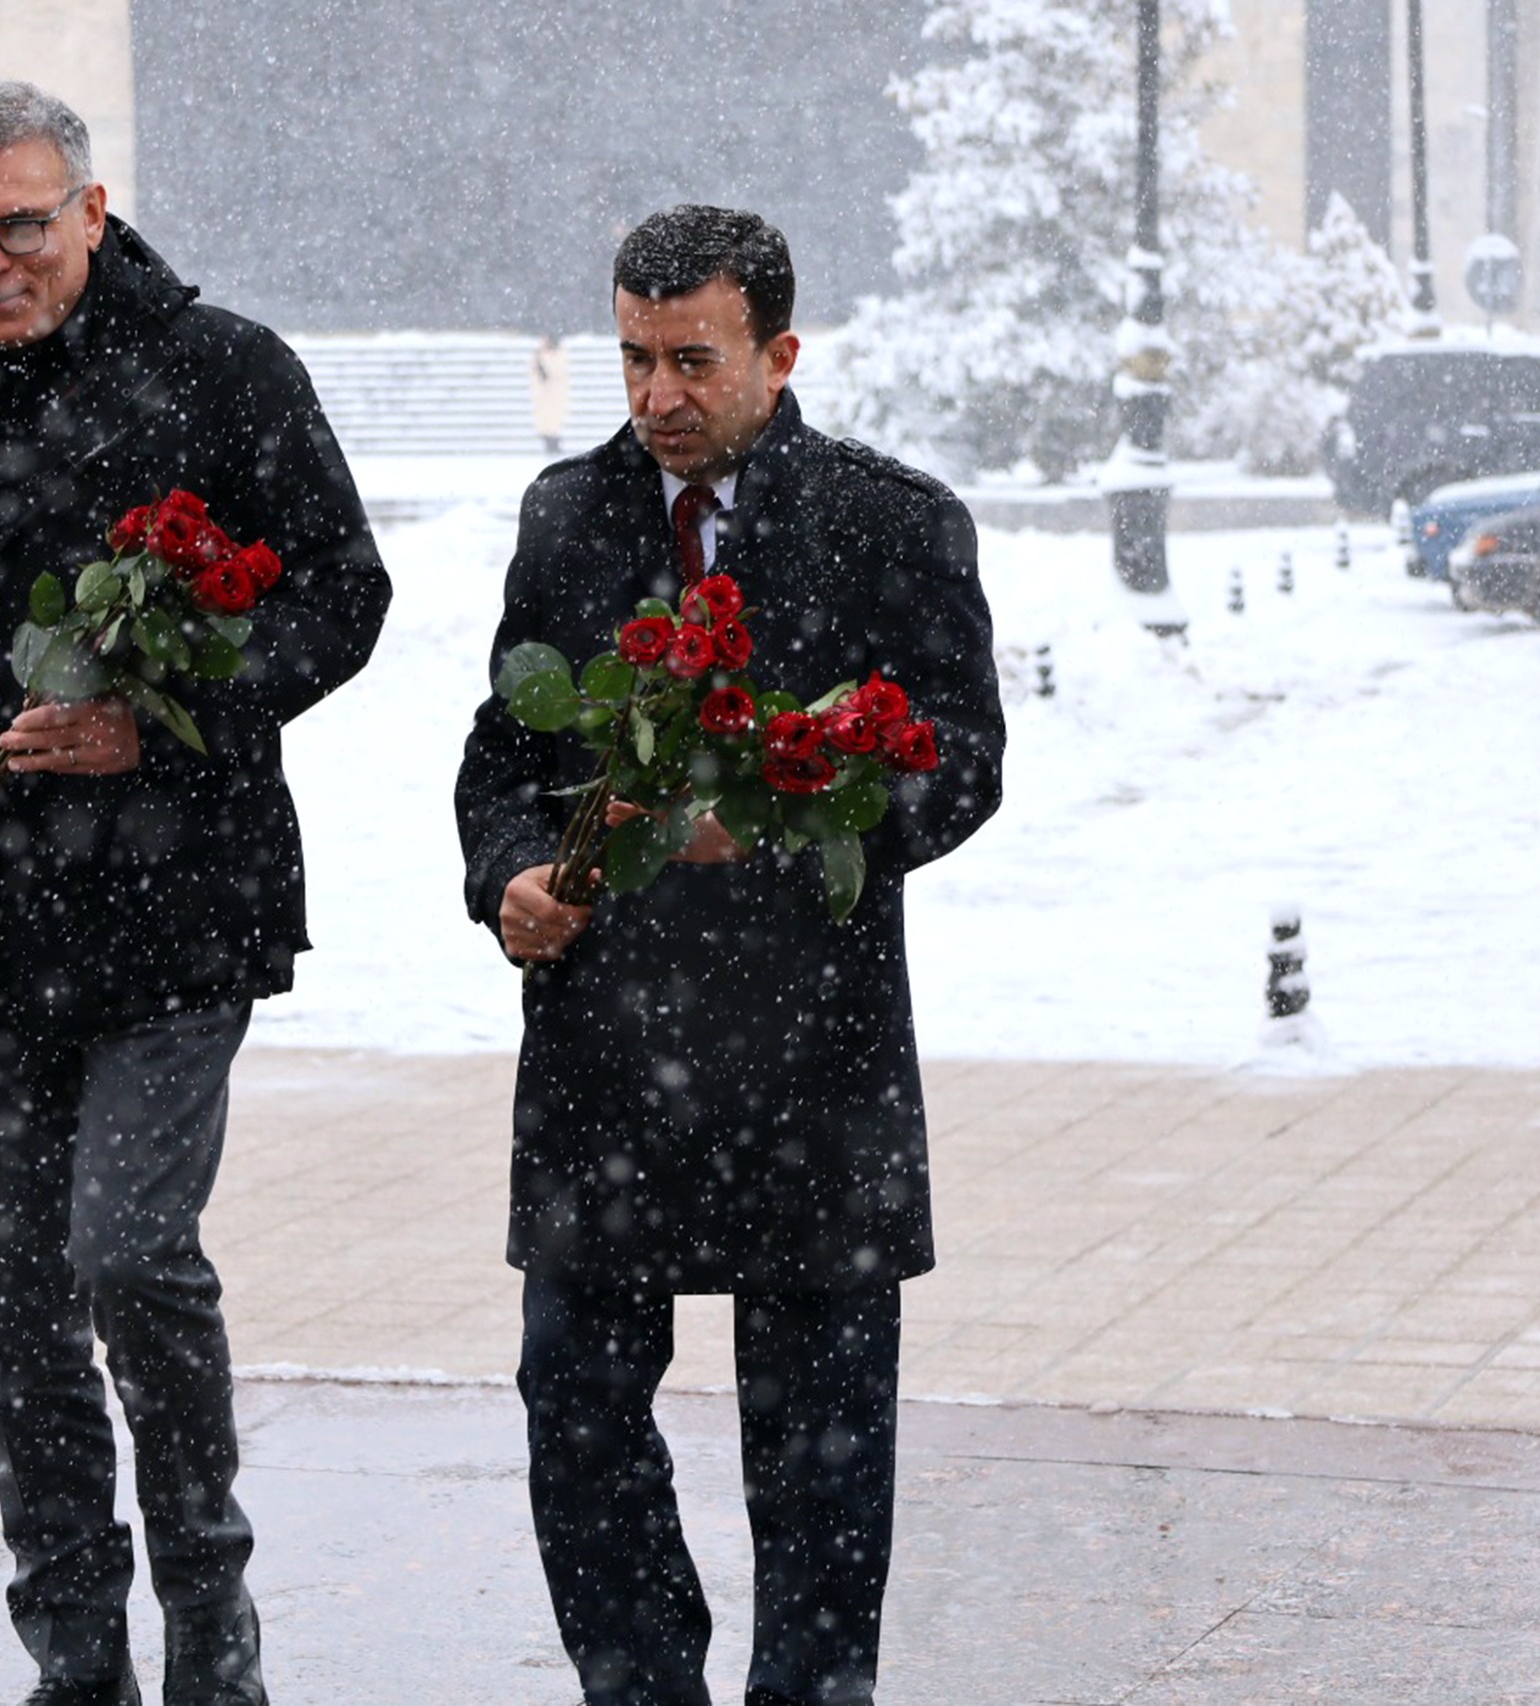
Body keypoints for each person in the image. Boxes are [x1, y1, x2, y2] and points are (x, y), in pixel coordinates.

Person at [0, 83, 388, 1706]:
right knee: (22, 1313)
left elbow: (341, 593)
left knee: (127, 1253)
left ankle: (213, 1634)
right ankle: (75, 1654)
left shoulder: (223, 370)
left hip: (180, 905)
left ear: (91, 212)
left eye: (22, 225)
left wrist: (159, 721)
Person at [454, 206, 1005, 1706]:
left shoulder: (892, 521)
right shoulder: (568, 515)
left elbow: (961, 761)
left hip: (812, 1054)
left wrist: (777, 822)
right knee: (575, 1409)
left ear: (779, 352)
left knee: (821, 1443)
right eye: (634, 358)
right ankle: (640, 1686)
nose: (658, 395)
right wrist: (506, 875)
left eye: (692, 360)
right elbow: (502, 753)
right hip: (604, 1051)